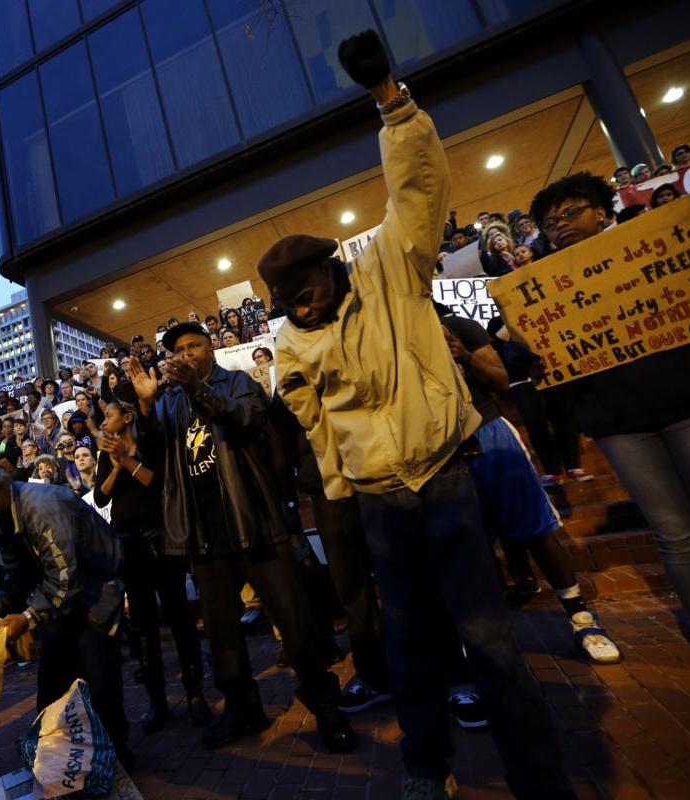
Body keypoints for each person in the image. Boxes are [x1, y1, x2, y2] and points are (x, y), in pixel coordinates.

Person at [264, 29, 574, 798]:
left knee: (489, 636)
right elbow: (309, 414)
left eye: (309, 293)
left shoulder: (392, 262)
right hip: (376, 495)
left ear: (331, 270)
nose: (302, 308)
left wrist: (391, 103)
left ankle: (538, 777)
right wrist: (339, 482)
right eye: (289, 304)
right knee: (406, 639)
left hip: (443, 474)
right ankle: (424, 767)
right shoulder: (289, 338)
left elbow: (420, 188)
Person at [528, 171, 690, 724]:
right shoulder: (547, 285)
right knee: (675, 534)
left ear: (604, 212)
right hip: (617, 421)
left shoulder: (659, 240)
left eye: (571, 211)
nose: (560, 226)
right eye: (551, 222)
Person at [125, 326, 355, 754]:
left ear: (211, 349)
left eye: (194, 346)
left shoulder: (237, 383)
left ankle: (325, 706)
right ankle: (243, 706)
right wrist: (145, 402)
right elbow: (153, 453)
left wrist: (200, 389)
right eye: (179, 349)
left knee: (294, 622)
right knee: (221, 632)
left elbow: (247, 420)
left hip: (253, 523)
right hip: (205, 535)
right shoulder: (169, 400)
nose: (187, 354)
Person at [436, 305, 621, 664]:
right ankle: (486, 639)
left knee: (535, 529)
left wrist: (464, 356)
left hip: (487, 432)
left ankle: (583, 620)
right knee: (466, 543)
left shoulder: (455, 326)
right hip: (438, 449)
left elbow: (506, 382)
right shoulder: (389, 340)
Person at [0, 463, 131, 764]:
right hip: (60, 603)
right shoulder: (1, 518)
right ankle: (59, 756)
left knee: (100, 680)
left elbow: (65, 579)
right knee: (52, 684)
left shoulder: (42, 506)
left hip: (95, 594)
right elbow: (18, 576)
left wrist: (27, 619)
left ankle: (116, 754)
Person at [93, 387, 211, 733]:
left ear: (127, 418)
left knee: (178, 616)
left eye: (110, 416)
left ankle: (195, 694)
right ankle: (157, 702)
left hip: (160, 538)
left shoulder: (149, 443)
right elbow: (101, 497)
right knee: (143, 626)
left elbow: (154, 481)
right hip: (126, 542)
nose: (105, 423)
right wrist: (114, 466)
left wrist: (126, 459)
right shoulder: (106, 453)